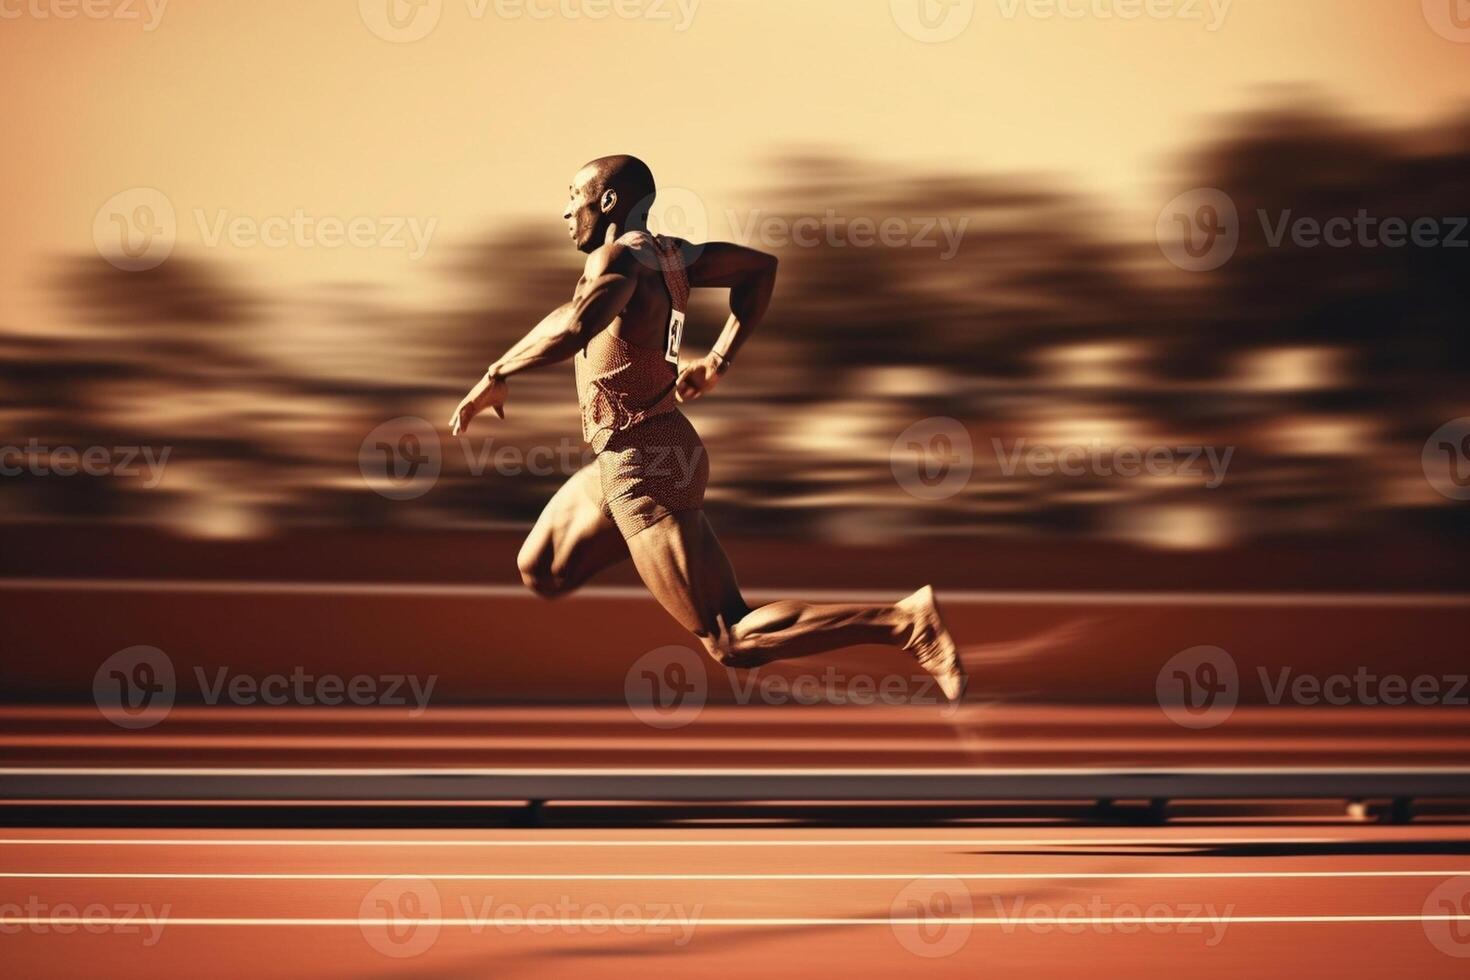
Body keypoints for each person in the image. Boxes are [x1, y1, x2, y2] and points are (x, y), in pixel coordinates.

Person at [450, 155, 964, 699]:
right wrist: (717, 363)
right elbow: (757, 270)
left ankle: (905, 624)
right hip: (638, 454)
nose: (563, 211)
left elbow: (579, 325)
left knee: (730, 639)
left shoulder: (616, 261)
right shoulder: (669, 256)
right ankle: (649, 533)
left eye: (572, 195)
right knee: (543, 569)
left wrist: (499, 372)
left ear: (606, 203)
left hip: (644, 464)